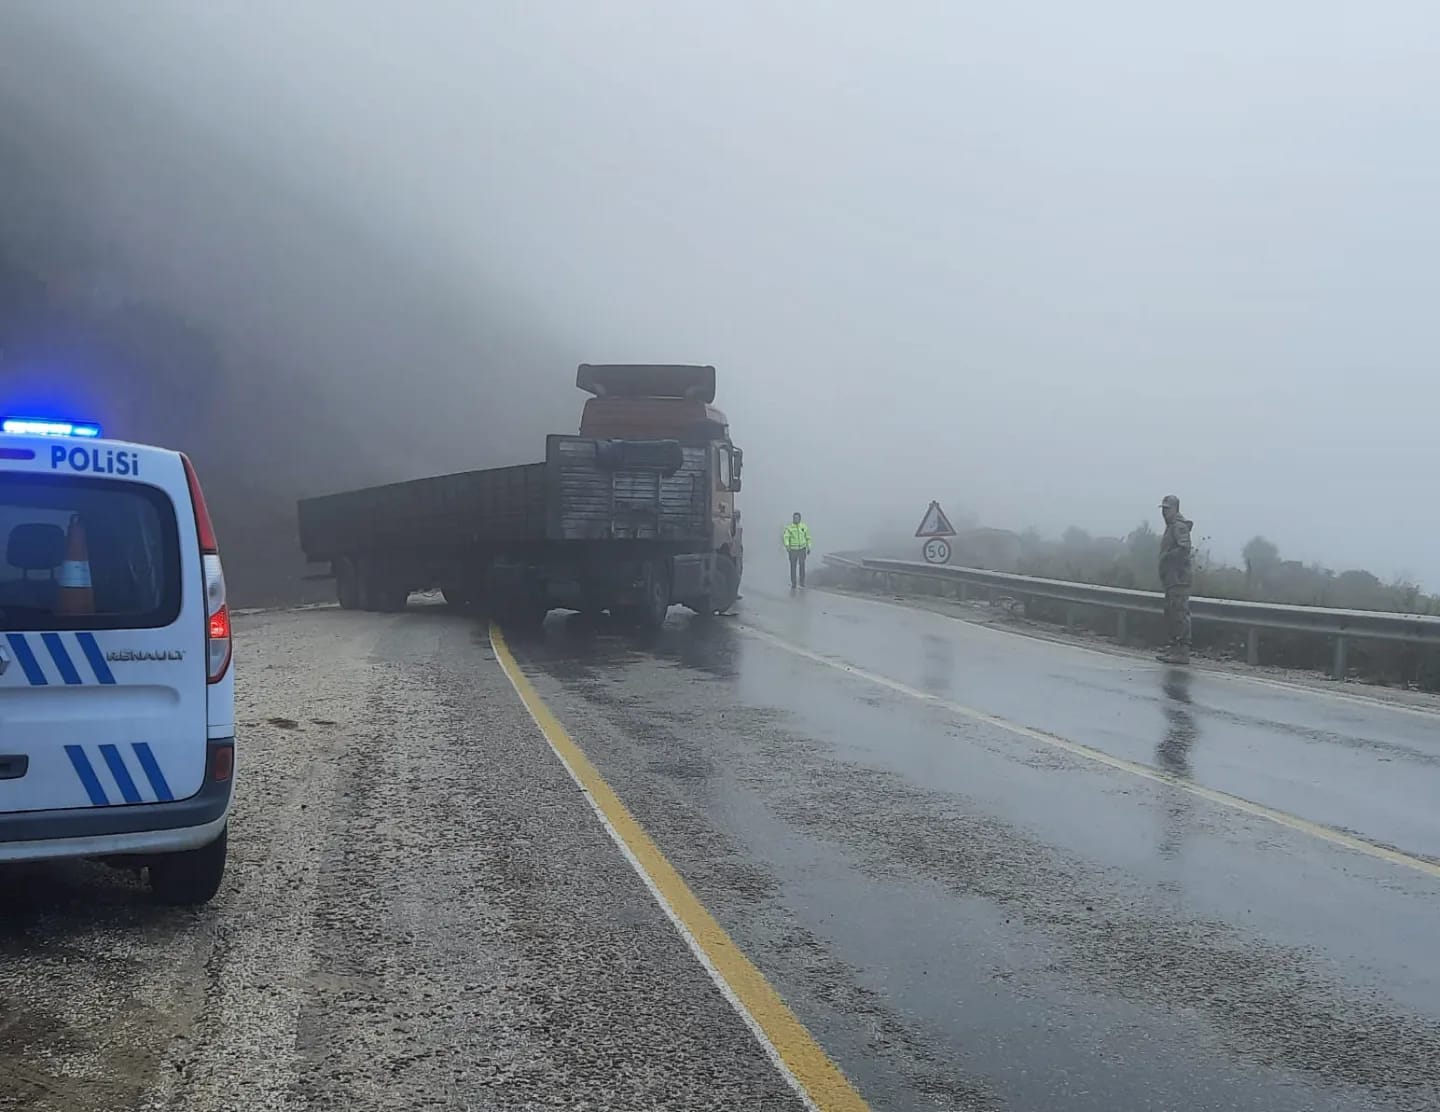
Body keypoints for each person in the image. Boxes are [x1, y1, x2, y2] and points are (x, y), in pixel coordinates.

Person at [1157, 494, 1193, 664]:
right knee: (1171, 614)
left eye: (1167, 509)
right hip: (1171, 579)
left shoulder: (1178, 527)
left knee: (1179, 614)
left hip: (1179, 578)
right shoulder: (1170, 526)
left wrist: (1167, 558)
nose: (1164, 513)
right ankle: (1174, 648)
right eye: (1163, 509)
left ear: (1175, 509)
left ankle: (1182, 651)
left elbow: (1184, 549)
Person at [783, 512, 812, 588]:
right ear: (793, 518)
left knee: (802, 565)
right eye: (795, 518)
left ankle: (802, 582)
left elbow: (808, 537)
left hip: (802, 549)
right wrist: (787, 546)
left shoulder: (804, 527)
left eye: (797, 518)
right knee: (793, 566)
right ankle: (794, 583)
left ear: (800, 518)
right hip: (792, 550)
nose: (796, 519)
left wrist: (809, 547)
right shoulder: (789, 528)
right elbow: (786, 537)